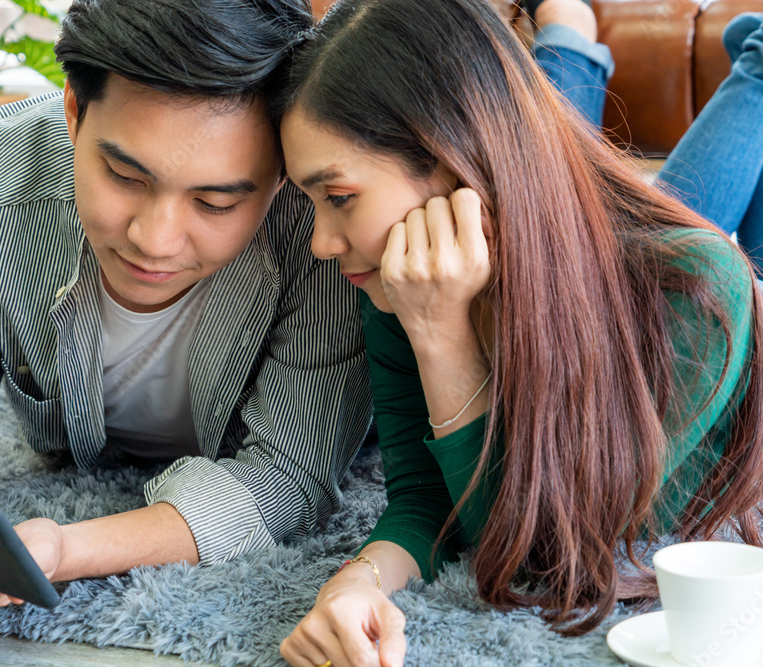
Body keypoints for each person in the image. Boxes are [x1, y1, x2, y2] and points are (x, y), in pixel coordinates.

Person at [0, 0, 373, 636]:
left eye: (216, 202)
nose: (155, 239)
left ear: (279, 175)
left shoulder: (320, 227)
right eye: (124, 176)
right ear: (74, 111)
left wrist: (62, 549)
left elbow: (286, 478)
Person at [275, 0, 763, 663]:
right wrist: (352, 586)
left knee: (695, 241)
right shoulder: (392, 280)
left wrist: (442, 337)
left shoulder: (692, 304)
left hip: (701, 301)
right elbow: (427, 503)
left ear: (453, 164)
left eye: (337, 197)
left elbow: (544, 556)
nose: (320, 243)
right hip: (579, 246)